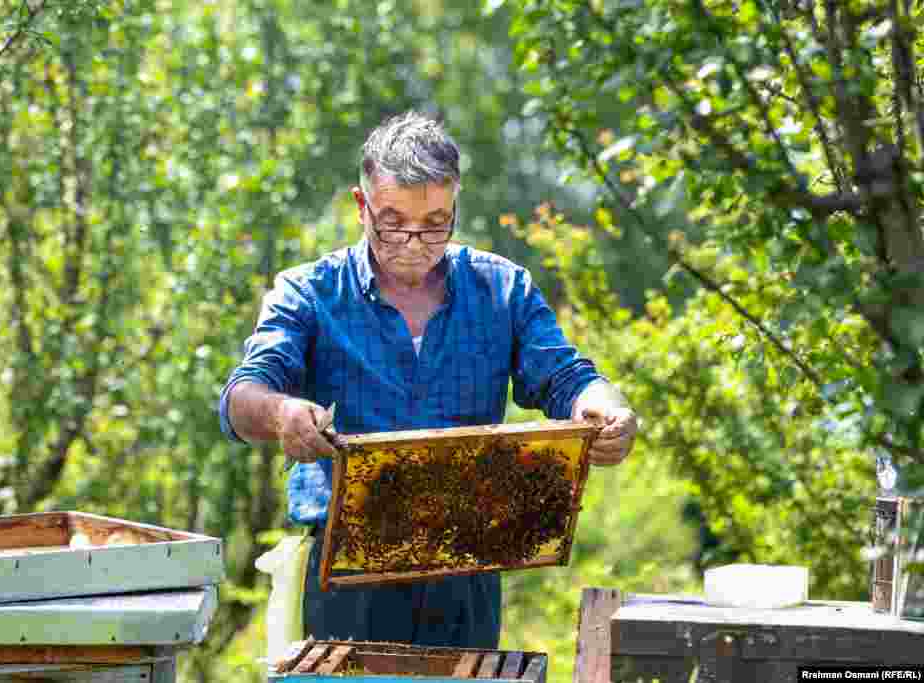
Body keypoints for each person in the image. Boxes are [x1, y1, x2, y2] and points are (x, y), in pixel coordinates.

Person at [219, 111, 637, 649]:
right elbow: (241, 394)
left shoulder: (502, 289)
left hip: (468, 568)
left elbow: (568, 376)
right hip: (346, 575)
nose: (414, 242)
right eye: (393, 221)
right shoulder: (308, 292)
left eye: (435, 223)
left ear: (456, 207)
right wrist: (281, 415)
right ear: (361, 206)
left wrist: (604, 405)